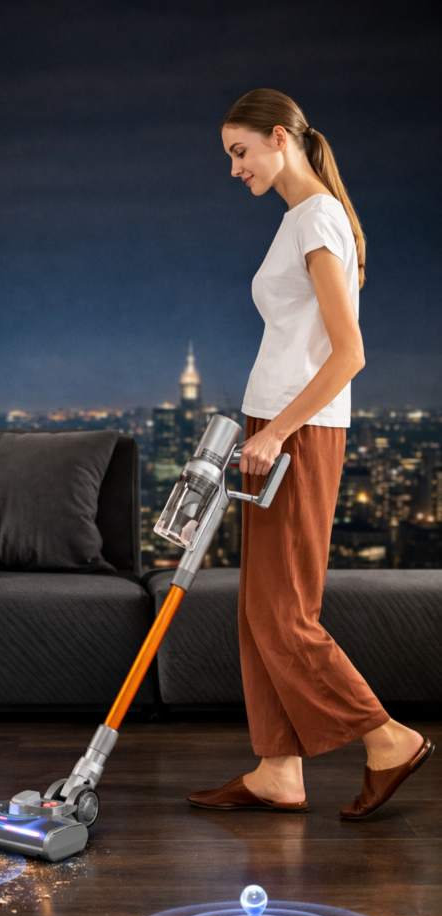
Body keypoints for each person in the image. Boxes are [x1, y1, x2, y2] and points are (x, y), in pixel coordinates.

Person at [188, 89, 433, 819]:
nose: (234, 169)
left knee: (286, 612)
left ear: (277, 139)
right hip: (274, 426)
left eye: (239, 152)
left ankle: (387, 738)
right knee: (258, 610)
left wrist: (274, 432)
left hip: (297, 433)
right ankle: (277, 769)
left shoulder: (318, 218)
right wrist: (258, 424)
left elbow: (348, 352)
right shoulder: (299, 220)